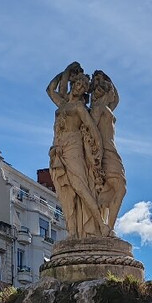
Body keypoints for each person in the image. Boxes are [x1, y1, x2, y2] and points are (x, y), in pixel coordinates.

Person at [47, 62, 108, 239]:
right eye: (78, 84)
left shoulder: (79, 108)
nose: (79, 87)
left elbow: (93, 129)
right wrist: (66, 71)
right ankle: (72, 231)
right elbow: (50, 89)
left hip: (73, 146)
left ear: (84, 92)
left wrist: (98, 152)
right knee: (66, 192)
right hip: (58, 149)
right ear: (73, 83)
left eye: (82, 87)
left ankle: (101, 224)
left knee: (80, 187)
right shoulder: (62, 104)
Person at [89, 69, 126, 229]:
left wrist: (105, 77)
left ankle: (107, 226)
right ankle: (108, 228)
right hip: (104, 152)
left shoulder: (106, 106)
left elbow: (116, 98)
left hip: (112, 151)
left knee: (118, 188)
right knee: (120, 188)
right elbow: (91, 130)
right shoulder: (97, 108)